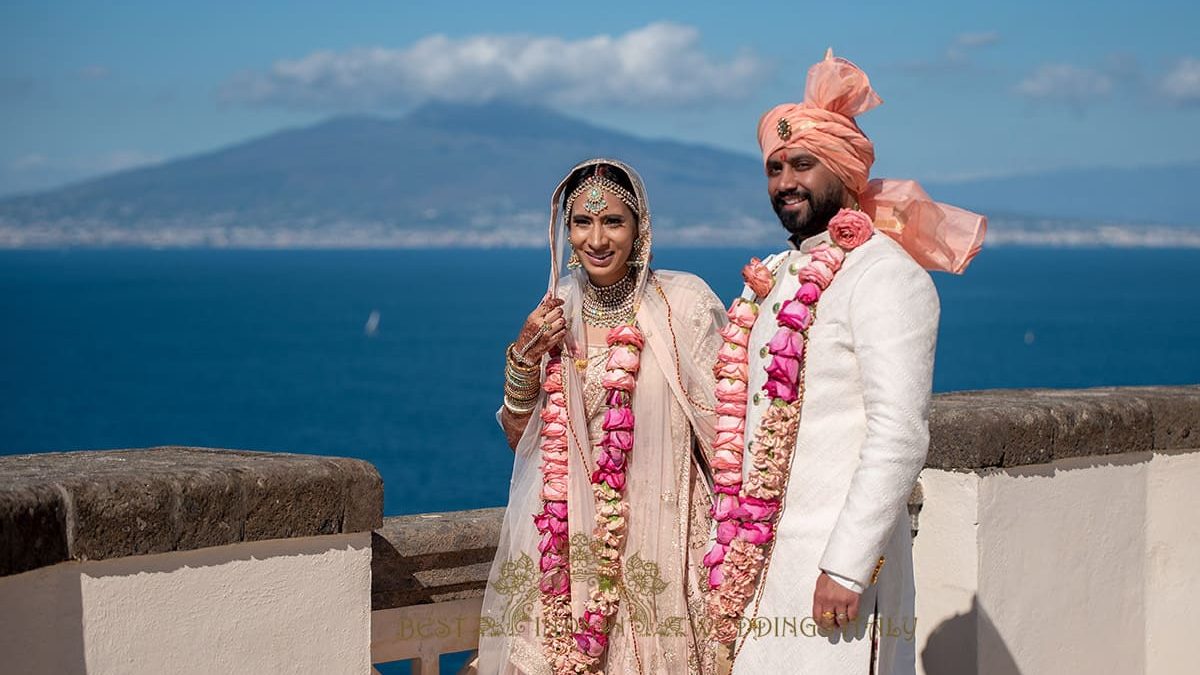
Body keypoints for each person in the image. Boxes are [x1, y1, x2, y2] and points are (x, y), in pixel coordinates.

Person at [699, 51, 986, 674]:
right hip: (755, 567)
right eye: (774, 168)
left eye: (803, 164)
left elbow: (898, 433)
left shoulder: (886, 275)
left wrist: (848, 565)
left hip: (834, 578)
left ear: (844, 171)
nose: (784, 182)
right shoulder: (770, 276)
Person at [477, 158, 728, 674]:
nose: (596, 238)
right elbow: (519, 440)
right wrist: (524, 356)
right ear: (565, 232)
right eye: (582, 222)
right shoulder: (555, 311)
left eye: (613, 221)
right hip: (568, 553)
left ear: (640, 230)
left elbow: (726, 430)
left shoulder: (684, 305)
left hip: (667, 545)